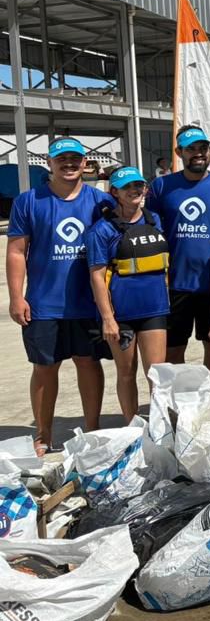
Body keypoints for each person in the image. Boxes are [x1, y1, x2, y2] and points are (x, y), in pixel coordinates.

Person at [7, 138, 113, 452]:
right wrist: (16, 296)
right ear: (49, 163)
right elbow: (16, 251)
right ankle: (43, 435)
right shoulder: (28, 201)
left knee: (89, 363)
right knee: (44, 368)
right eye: (62, 158)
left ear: (85, 163)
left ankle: (92, 429)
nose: (69, 163)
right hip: (43, 303)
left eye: (75, 159)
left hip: (87, 302)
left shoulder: (99, 201)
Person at [146, 126, 210, 379]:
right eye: (191, 149)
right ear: (179, 152)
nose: (198, 154)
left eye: (203, 148)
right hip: (174, 284)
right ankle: (178, 404)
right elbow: (150, 230)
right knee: (173, 348)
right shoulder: (161, 186)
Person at [86, 166, 169, 423]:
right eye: (127, 187)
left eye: (139, 186)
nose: (135, 191)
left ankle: (159, 427)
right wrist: (108, 318)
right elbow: (97, 277)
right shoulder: (102, 230)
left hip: (154, 309)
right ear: (115, 192)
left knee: (157, 374)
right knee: (125, 372)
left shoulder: (154, 220)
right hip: (121, 314)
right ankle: (132, 425)